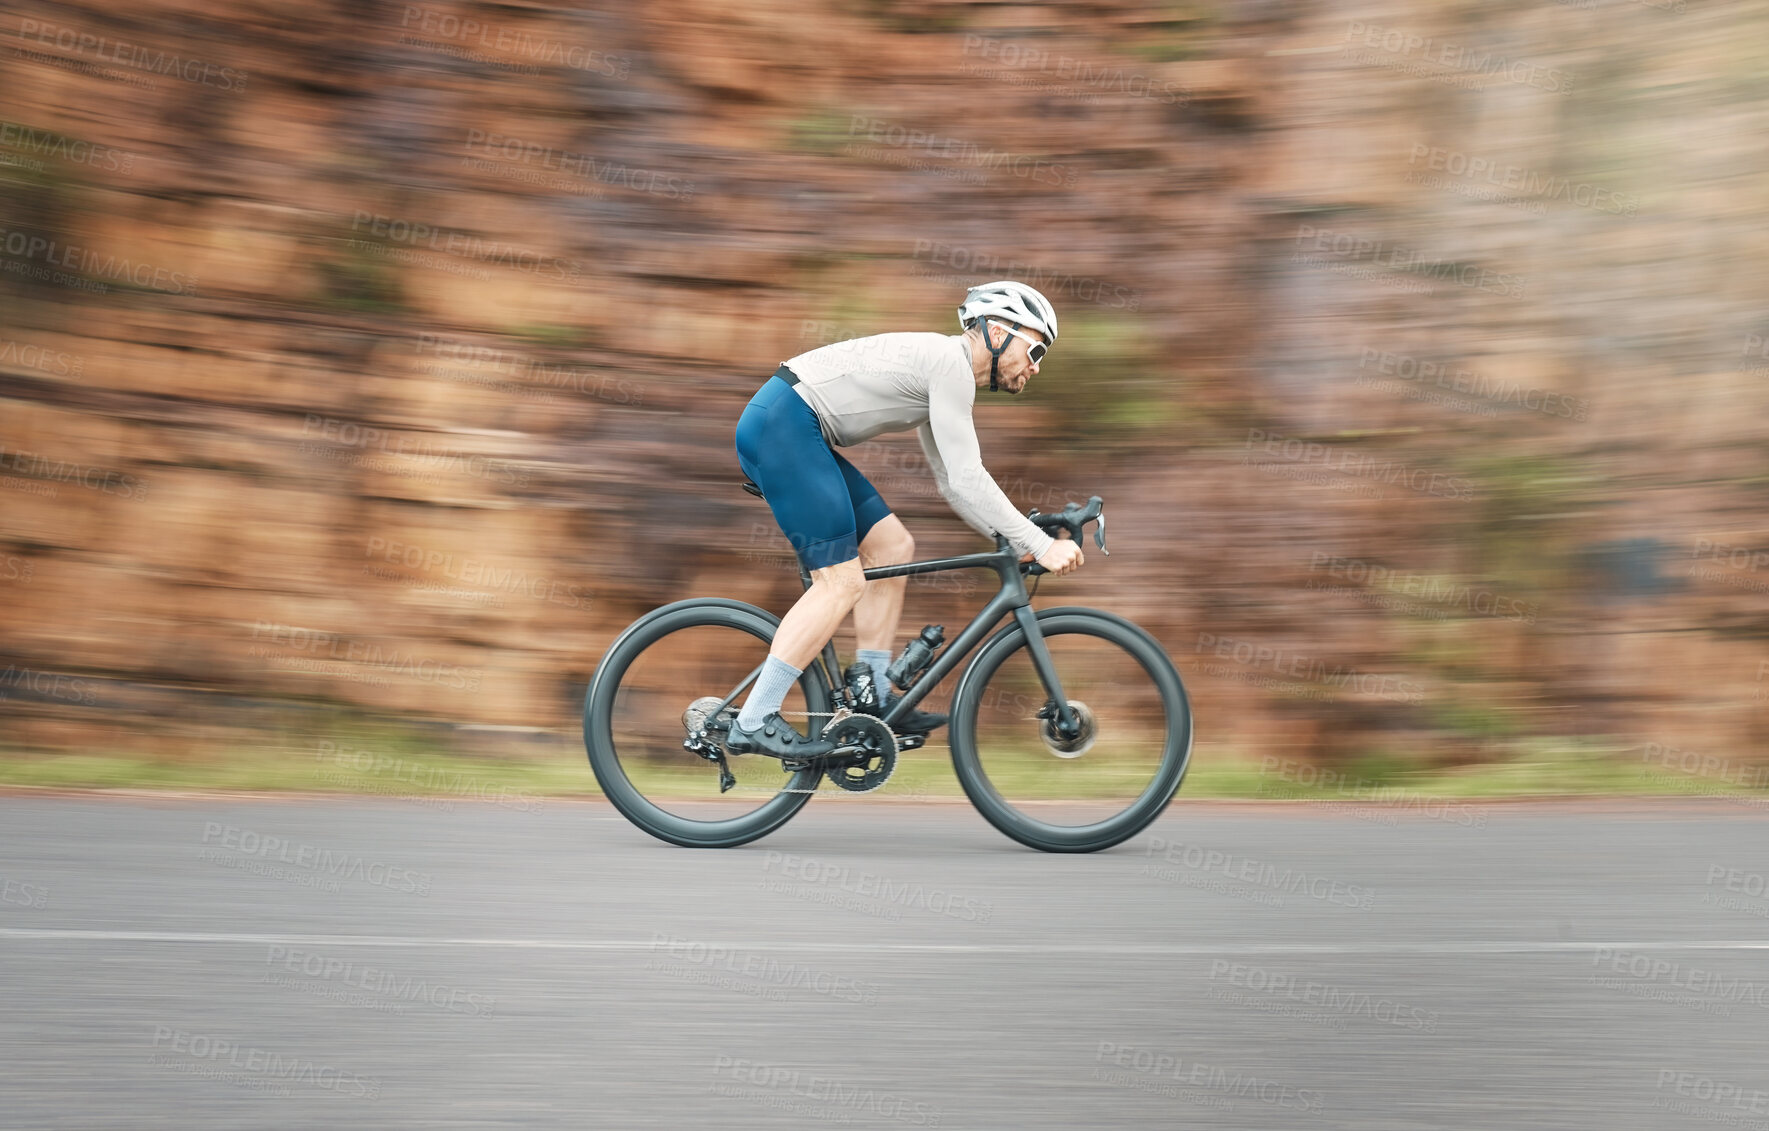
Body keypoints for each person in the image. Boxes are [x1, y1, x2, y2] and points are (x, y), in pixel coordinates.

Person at [727, 280, 1085, 759]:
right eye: (1036, 349)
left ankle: (871, 693)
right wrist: (1039, 543)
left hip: (793, 424)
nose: (1037, 366)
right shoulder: (949, 364)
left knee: (893, 547)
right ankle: (755, 718)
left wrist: (1012, 538)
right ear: (997, 332)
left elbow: (951, 482)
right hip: (784, 424)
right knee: (840, 583)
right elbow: (967, 475)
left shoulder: (944, 372)